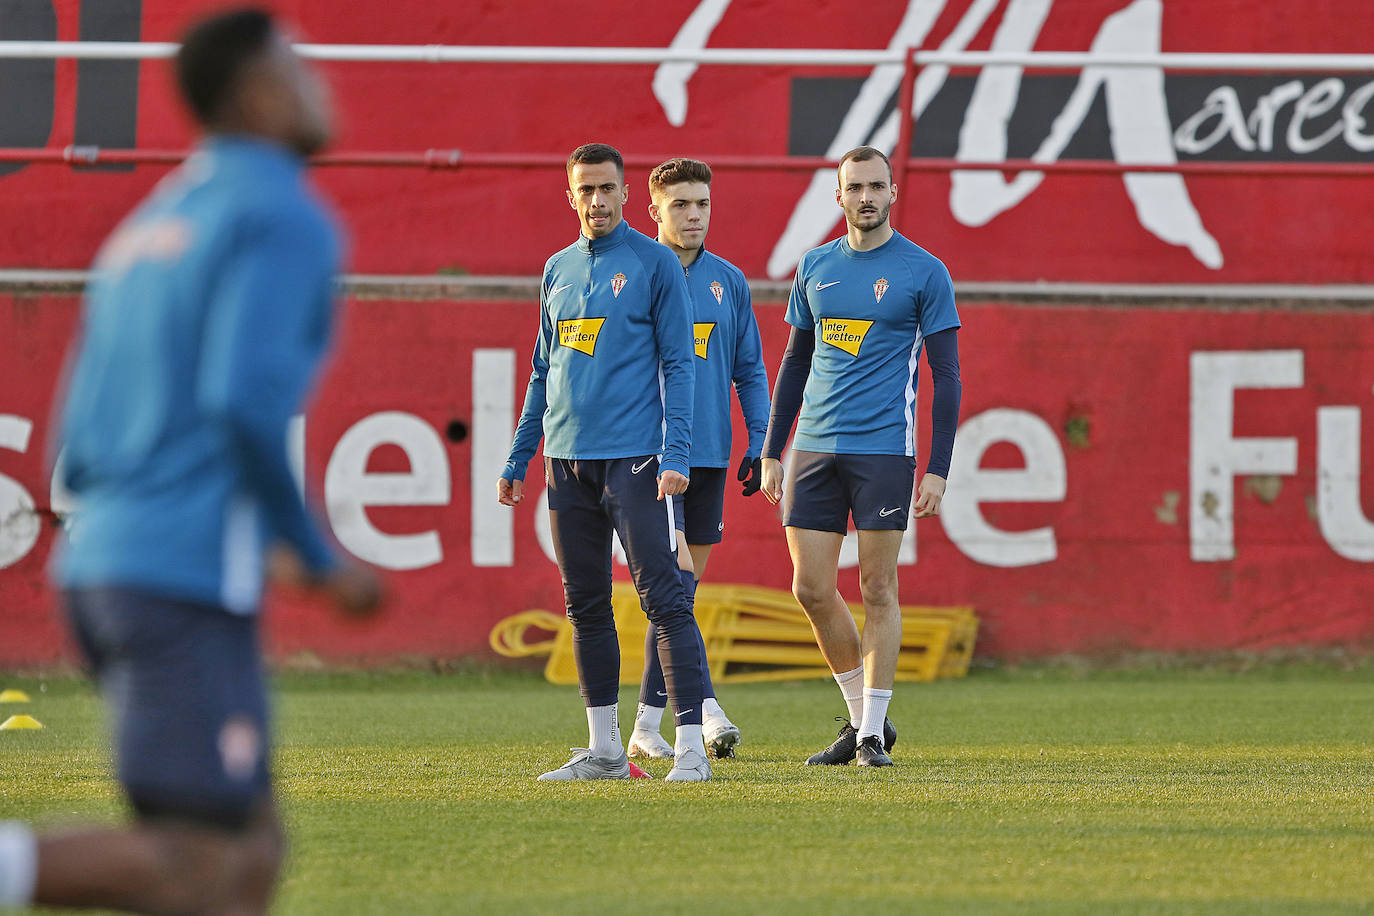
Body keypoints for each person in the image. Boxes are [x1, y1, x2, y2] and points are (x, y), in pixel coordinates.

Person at [0, 9, 382, 913]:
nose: (318, 85)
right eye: (299, 67)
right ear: (257, 93)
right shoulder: (281, 214)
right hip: (178, 577)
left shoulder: (157, 218)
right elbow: (244, 402)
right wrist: (315, 553)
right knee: (197, 864)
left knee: (249, 857)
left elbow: (76, 441)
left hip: (108, 565)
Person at [498, 143, 712, 783]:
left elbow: (680, 365)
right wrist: (518, 457)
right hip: (566, 466)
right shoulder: (556, 269)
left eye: (607, 189)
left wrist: (677, 455)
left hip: (638, 463)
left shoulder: (654, 265)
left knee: (665, 600)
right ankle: (605, 752)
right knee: (585, 605)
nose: (596, 201)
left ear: (626, 195)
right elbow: (543, 369)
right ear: (571, 195)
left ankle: (692, 749)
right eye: (585, 190)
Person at [760, 146, 962, 767]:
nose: (867, 197)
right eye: (856, 188)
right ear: (839, 196)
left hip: (884, 452)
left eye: (878, 186)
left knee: (878, 587)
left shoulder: (924, 271)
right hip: (814, 450)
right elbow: (795, 363)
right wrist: (773, 451)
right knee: (811, 588)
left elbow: (947, 376)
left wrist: (938, 468)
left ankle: (871, 733)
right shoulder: (816, 265)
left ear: (893, 193)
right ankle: (862, 719)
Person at [625, 158, 770, 762]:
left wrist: (761, 440)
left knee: (680, 594)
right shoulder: (630, 276)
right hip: (652, 459)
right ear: (653, 209)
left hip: (709, 456)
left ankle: (646, 725)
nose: (692, 216)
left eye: (701, 204)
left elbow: (751, 370)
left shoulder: (728, 281)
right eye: (679, 204)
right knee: (675, 589)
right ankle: (705, 710)